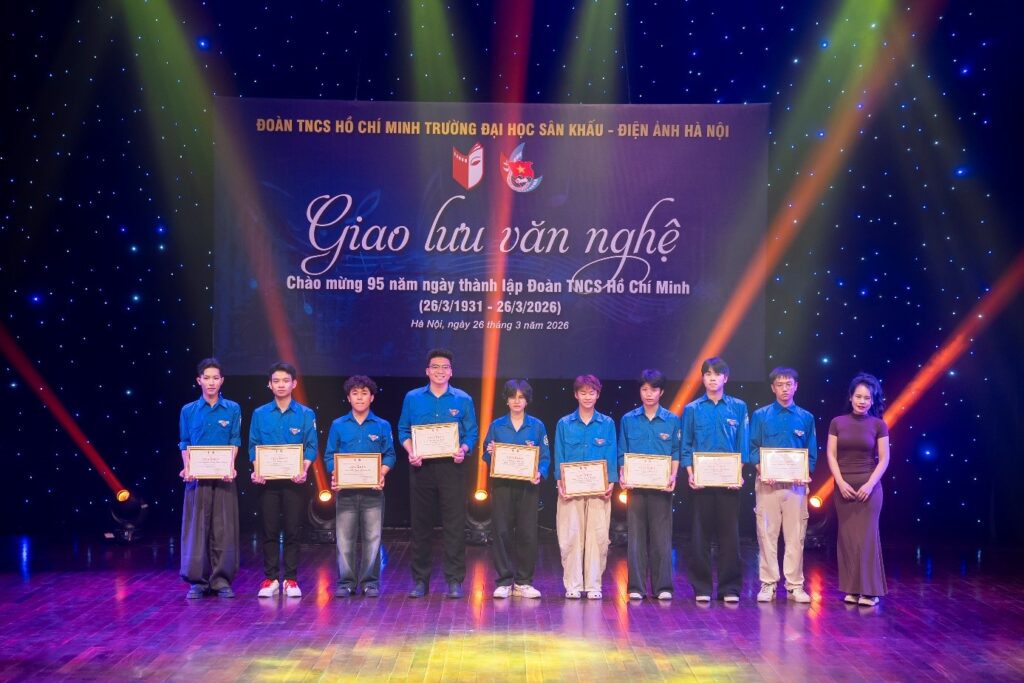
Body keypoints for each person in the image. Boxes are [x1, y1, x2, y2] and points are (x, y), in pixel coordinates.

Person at [398, 348, 478, 599]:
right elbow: (403, 430)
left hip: (452, 468)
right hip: (421, 467)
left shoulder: (463, 399)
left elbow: (472, 433)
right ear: (427, 371)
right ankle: (420, 581)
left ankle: (454, 580)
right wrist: (411, 451)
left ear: (451, 372)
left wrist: (463, 449)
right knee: (421, 526)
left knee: (454, 526)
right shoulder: (412, 398)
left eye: (445, 367)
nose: (440, 371)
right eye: (435, 367)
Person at [681, 357, 749, 603]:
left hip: (729, 483)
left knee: (729, 537)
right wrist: (691, 474)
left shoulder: (738, 407)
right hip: (701, 483)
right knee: (700, 536)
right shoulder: (692, 409)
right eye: (708, 374)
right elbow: (686, 445)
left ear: (725, 378)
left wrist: (738, 473)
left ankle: (729, 588)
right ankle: (701, 587)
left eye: (717, 374)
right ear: (702, 378)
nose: (712, 378)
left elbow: (743, 444)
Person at [249, 361, 317, 598]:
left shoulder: (306, 414)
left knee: (292, 531)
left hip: (294, 483)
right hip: (267, 483)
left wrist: (304, 469)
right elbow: (253, 445)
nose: (281, 385)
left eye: (286, 381)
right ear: (269, 384)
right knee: (269, 531)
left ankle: (290, 579)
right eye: (276, 381)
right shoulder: (259, 414)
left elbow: (311, 446)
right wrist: (257, 470)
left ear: (294, 384)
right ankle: (270, 579)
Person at [749, 367, 817, 604]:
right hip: (767, 484)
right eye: (780, 384)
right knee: (767, 535)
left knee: (795, 536)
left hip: (795, 486)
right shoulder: (761, 415)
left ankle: (795, 585)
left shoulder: (806, 417)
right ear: (773, 388)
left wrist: (804, 473)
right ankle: (768, 583)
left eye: (789, 384)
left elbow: (811, 452)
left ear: (796, 386)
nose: (784, 389)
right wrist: (762, 470)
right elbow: (753, 448)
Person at [324, 375, 395, 598]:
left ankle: (370, 583)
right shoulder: (338, 425)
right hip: (346, 493)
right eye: (355, 393)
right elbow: (329, 456)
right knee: (344, 540)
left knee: (372, 539)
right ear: (348, 398)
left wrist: (381, 473)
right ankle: (346, 582)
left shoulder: (382, 425)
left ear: (372, 397)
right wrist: (335, 474)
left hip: (373, 493)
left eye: (364, 393)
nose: (360, 397)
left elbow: (390, 455)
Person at [178, 358, 242, 599]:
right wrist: (187, 467)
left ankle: (221, 580)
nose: (211, 382)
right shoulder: (188, 410)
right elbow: (185, 441)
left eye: (216, 378)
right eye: (207, 378)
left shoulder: (233, 408)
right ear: (199, 380)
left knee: (223, 528)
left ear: (222, 381)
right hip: (197, 478)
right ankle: (198, 582)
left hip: (223, 477)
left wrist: (231, 466)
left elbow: (234, 440)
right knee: (197, 529)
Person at [826, 373, 890, 607]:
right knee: (848, 539)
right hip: (843, 487)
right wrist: (840, 482)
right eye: (859, 396)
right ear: (851, 397)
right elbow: (831, 455)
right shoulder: (837, 422)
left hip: (869, 488)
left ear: (873, 401)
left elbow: (884, 459)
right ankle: (852, 589)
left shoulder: (879, 425)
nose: (862, 401)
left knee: (866, 539)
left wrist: (870, 484)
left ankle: (870, 591)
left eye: (867, 398)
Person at [483, 379, 550, 599]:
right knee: (501, 531)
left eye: (521, 397)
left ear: (527, 400)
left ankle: (523, 582)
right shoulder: (496, 425)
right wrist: (490, 452)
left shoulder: (537, 426)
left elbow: (545, 457)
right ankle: (503, 581)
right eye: (512, 397)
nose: (517, 401)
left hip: (528, 487)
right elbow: (485, 455)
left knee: (527, 533)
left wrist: (540, 472)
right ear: (507, 400)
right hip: (502, 486)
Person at [618, 369, 681, 601]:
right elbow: (622, 452)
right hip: (635, 487)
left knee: (661, 538)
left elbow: (675, 452)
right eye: (644, 389)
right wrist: (623, 475)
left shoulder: (672, 420)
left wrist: (673, 476)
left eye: (653, 389)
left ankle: (663, 587)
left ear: (661, 392)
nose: (649, 394)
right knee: (635, 538)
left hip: (661, 488)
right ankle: (636, 587)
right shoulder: (628, 419)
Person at [553, 374, 617, 600]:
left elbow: (611, 453)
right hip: (570, 490)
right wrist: (559, 482)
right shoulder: (564, 423)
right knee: (570, 536)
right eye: (583, 393)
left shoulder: (607, 423)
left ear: (598, 395)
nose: (587, 397)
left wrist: (611, 481)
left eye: (592, 393)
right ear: (576, 395)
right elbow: (559, 454)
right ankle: (573, 584)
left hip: (599, 490)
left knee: (597, 537)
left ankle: (593, 585)